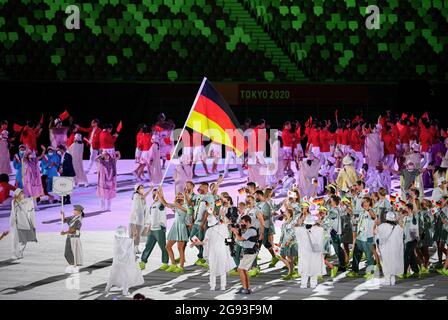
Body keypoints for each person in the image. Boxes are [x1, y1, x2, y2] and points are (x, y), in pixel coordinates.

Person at [192, 214, 236, 291]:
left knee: (212, 269)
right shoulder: (223, 227)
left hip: (213, 252)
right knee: (222, 269)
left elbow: (204, 243)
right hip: (222, 251)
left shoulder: (209, 231)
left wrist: (195, 243)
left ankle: (213, 286)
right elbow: (227, 232)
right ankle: (223, 286)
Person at [105, 226, 144, 296]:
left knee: (113, 275)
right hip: (125, 263)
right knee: (127, 277)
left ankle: (107, 288)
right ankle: (125, 292)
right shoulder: (128, 240)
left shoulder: (116, 239)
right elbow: (132, 249)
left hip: (117, 262)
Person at [158, 187, 188, 273]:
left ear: (184, 198)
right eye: (177, 196)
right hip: (175, 227)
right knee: (168, 246)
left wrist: (178, 205)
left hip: (182, 227)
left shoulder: (185, 205)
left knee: (180, 248)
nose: (179, 197)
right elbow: (165, 203)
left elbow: (186, 210)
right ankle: (173, 264)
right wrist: (160, 195)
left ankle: (181, 267)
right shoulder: (175, 206)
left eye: (180, 196)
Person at [140, 188, 169, 271]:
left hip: (159, 229)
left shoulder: (161, 204)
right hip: (152, 230)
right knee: (148, 246)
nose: (155, 195)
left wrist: (161, 193)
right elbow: (150, 218)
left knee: (163, 247)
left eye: (156, 194)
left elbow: (164, 202)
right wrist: (148, 228)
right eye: (153, 194)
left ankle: (165, 263)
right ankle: (143, 262)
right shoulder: (152, 205)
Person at [347, 196, 376, 279]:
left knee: (369, 255)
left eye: (366, 201)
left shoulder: (371, 211)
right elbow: (358, 223)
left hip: (367, 237)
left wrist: (368, 209)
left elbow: (373, 216)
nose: (364, 203)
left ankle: (370, 272)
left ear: (369, 202)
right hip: (360, 237)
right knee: (356, 254)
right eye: (363, 202)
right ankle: (354, 271)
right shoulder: (362, 212)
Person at [230, 215, 259, 294]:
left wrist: (235, 232)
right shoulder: (249, 230)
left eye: (243, 222)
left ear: (247, 222)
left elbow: (240, 239)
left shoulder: (250, 231)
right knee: (243, 269)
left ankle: (245, 288)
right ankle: (247, 288)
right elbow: (242, 241)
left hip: (250, 252)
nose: (242, 224)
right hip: (249, 252)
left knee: (240, 269)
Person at [375, 211, 404, 286]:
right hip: (394, 249)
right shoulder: (398, 227)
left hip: (384, 248)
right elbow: (401, 238)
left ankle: (387, 280)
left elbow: (377, 236)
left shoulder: (382, 226)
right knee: (393, 262)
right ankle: (393, 279)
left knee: (385, 263)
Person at [296, 215, 325, 289]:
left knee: (304, 267)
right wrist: (318, 223)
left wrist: (299, 222)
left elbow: (296, 227)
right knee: (314, 266)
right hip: (315, 253)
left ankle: (303, 284)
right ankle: (313, 283)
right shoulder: (319, 230)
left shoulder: (300, 230)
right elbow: (323, 228)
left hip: (304, 253)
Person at [10, 188, 37, 260]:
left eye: (23, 193)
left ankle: (20, 252)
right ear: (18, 195)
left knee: (24, 240)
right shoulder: (14, 202)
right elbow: (13, 211)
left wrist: (39, 193)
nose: (23, 195)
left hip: (24, 223)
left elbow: (31, 198)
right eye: (21, 193)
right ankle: (15, 253)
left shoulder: (24, 201)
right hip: (16, 224)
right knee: (15, 239)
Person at [61, 204, 84, 273]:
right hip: (70, 237)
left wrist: (64, 233)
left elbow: (73, 230)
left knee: (71, 252)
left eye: (75, 209)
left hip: (74, 237)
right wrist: (63, 214)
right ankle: (72, 266)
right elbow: (64, 220)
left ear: (79, 211)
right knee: (68, 252)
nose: (73, 210)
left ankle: (74, 267)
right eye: (74, 209)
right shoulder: (73, 217)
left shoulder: (78, 219)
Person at [399, 203, 420, 278]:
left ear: (410, 209)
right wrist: (401, 218)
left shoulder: (414, 217)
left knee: (406, 256)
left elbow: (416, 210)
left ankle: (404, 273)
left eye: (406, 208)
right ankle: (416, 271)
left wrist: (414, 200)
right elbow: (401, 227)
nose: (405, 209)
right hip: (406, 240)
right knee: (411, 256)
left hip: (412, 239)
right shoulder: (406, 218)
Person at [129, 184, 150, 254]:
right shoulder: (136, 195)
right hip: (134, 219)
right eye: (141, 188)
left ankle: (136, 248)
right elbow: (143, 197)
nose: (142, 189)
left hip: (140, 219)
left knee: (138, 235)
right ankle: (132, 249)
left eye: (143, 188)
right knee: (134, 234)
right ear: (137, 190)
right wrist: (150, 189)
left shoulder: (142, 198)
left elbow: (144, 208)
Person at [278, 208, 298, 280]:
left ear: (289, 213)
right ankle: (292, 271)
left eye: (285, 212)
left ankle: (290, 272)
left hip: (290, 242)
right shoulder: (285, 222)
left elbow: (294, 232)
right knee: (282, 257)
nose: (284, 213)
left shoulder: (293, 222)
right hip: (284, 242)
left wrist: (289, 241)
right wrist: (280, 242)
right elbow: (282, 233)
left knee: (290, 258)